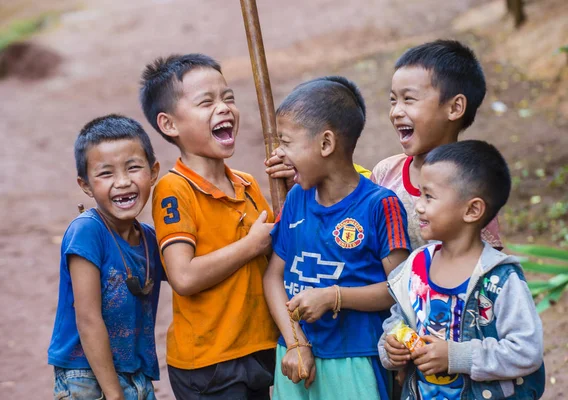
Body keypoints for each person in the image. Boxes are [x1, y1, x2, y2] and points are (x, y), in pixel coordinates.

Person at [139, 53, 279, 399]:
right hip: (209, 363)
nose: (224, 108)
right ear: (170, 125)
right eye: (207, 102)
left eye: (228, 98)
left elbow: (277, 249)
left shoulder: (246, 184)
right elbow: (183, 276)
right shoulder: (175, 190)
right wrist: (250, 245)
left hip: (258, 347)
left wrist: (296, 181)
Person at [264, 76, 411, 400]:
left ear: (326, 144)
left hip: (355, 358)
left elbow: (402, 289)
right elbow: (273, 277)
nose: (280, 153)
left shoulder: (379, 205)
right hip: (295, 358)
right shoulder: (296, 200)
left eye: (287, 142)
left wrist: (334, 297)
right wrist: (295, 342)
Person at [379, 140, 545, 400]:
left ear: (472, 210)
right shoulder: (416, 266)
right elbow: (396, 319)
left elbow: (526, 351)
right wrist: (391, 344)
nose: (419, 205)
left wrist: (457, 357)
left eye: (429, 196)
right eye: (420, 194)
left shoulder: (500, 279)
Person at [48, 114, 164, 400]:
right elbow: (87, 318)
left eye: (133, 168)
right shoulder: (87, 231)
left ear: (154, 172)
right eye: (106, 173)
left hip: (136, 374)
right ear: (86, 185)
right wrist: (113, 394)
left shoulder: (150, 239)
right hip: (86, 376)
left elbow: (188, 276)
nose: (123, 182)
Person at [371, 39, 502, 250]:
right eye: (393, 100)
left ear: (454, 108)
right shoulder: (385, 173)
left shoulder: (471, 183)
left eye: (409, 99)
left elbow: (484, 269)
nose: (396, 112)